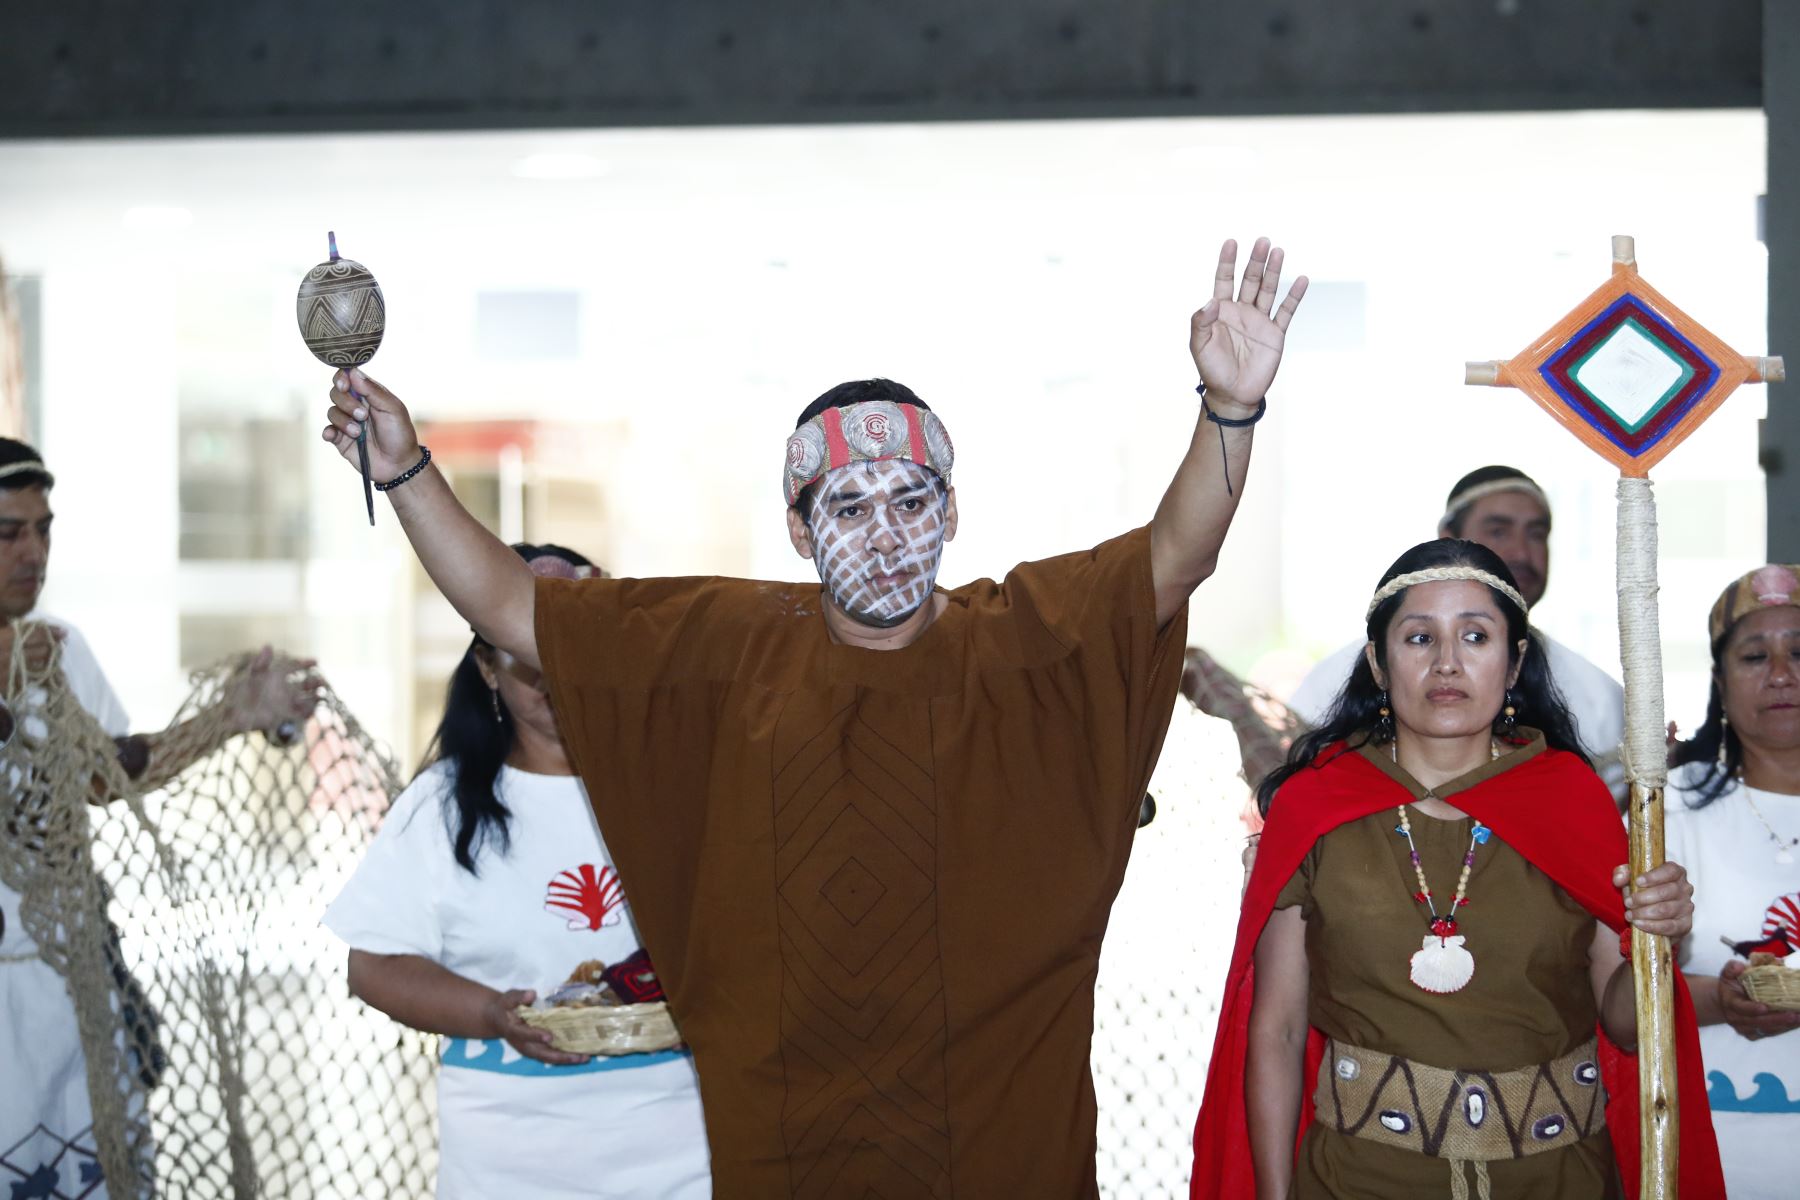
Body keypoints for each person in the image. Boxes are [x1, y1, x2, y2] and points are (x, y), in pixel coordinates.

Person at [318, 238, 1308, 1195]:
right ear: (799, 527)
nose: (885, 535)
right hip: (788, 1159)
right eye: (848, 506)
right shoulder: (724, 646)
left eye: (911, 503)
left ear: (950, 515)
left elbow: (1175, 558)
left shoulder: (1025, 641)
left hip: (1002, 1156)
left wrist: (1230, 409)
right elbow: (512, 611)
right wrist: (406, 470)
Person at [1190, 537, 1724, 1199]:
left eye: (1476, 636)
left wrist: (1655, 939)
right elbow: (1277, 1030)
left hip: (1556, 1181)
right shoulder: (1315, 808)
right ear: (1378, 663)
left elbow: (1627, 1025)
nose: (1447, 662)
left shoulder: (1570, 803)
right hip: (1359, 1182)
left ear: (1514, 661)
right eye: (1419, 638)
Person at [324, 542, 711, 1200]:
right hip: (508, 1160)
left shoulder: (683, 784)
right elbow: (375, 966)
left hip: (682, 1147)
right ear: (486, 667)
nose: (552, 669)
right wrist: (489, 1012)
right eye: (525, 649)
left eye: (573, 644)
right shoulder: (442, 805)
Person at [0, 436, 318, 1198]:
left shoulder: (58, 649)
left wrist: (233, 715)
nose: (33, 553)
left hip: (70, 980)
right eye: (8, 534)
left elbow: (110, 773)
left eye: (43, 530)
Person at [1288, 466, 1626, 797]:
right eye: (1499, 531)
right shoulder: (1329, 682)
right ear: (1449, 539)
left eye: (1536, 534)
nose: (1522, 552)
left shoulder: (1600, 697)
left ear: (1516, 663)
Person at [1664, 564, 1800, 1200]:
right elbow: (1615, 1001)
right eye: (1755, 656)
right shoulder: (1667, 810)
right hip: (1715, 1153)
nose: (1782, 674)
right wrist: (1722, 1001)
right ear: (1720, 682)